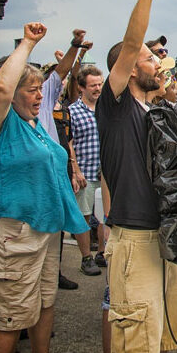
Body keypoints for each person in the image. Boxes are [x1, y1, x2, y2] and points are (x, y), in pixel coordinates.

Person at [0, 22, 89, 353]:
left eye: (41, 90)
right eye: (32, 90)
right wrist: (27, 43)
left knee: (44, 301)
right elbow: (2, 90)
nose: (40, 96)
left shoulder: (35, 124)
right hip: (13, 232)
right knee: (11, 317)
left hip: (45, 228)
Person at [96, 0, 177, 353]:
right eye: (152, 58)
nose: (159, 64)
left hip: (162, 236)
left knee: (164, 336)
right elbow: (131, 43)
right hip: (133, 239)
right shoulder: (115, 106)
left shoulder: (154, 112)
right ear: (132, 67)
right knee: (135, 348)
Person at [69, 65, 106, 275]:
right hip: (85, 171)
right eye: (93, 85)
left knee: (104, 215)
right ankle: (86, 257)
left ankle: (101, 252)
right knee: (83, 215)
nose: (98, 89)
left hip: (104, 172)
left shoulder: (106, 107)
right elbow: (69, 142)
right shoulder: (73, 111)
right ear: (81, 87)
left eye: (100, 84)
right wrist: (75, 169)